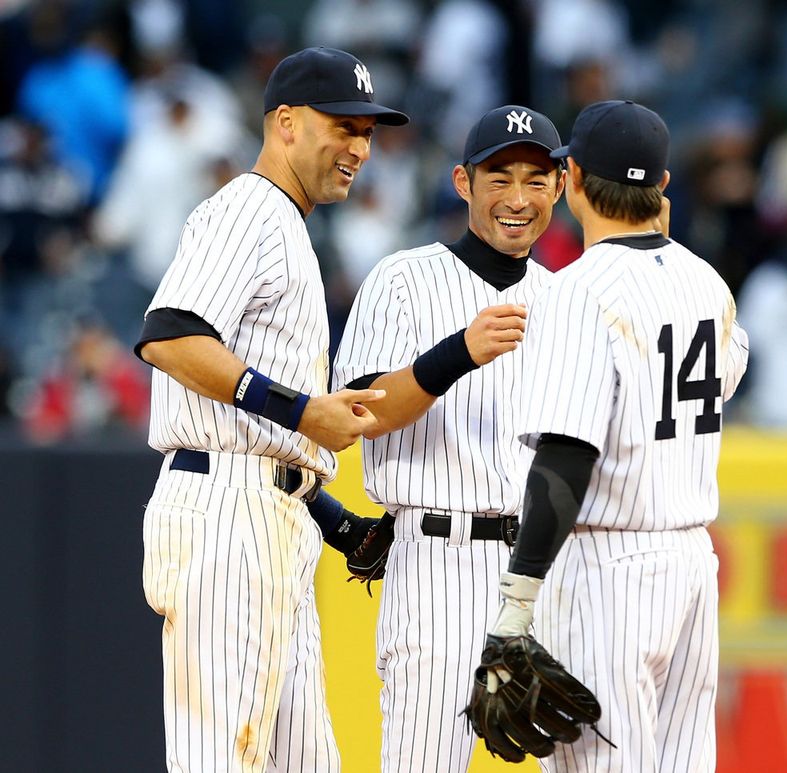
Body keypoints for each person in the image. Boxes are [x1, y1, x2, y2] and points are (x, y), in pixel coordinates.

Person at [134, 47, 408, 772]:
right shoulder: (249, 207)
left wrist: (332, 518)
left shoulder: (285, 222)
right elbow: (169, 335)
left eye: (367, 132)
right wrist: (300, 410)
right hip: (226, 514)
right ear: (285, 122)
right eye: (342, 126)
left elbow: (266, 434)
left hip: (273, 513)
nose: (359, 147)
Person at [473, 100, 749, 771]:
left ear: (569, 180)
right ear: (661, 186)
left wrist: (514, 609)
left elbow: (566, 459)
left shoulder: (579, 291)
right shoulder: (705, 281)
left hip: (606, 572)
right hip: (689, 565)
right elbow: (730, 371)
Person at [331, 105, 565, 771]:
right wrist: (457, 352)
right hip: (438, 557)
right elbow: (362, 415)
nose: (517, 198)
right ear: (463, 183)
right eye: (499, 178)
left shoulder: (569, 298)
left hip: (542, 566)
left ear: (559, 188)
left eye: (535, 179)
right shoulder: (403, 278)